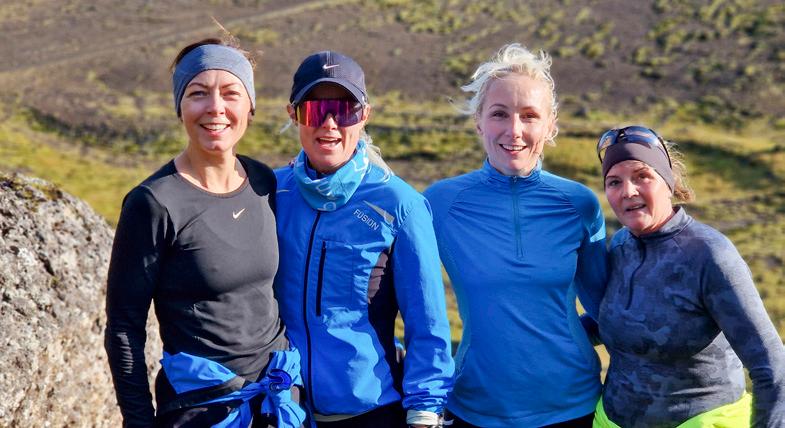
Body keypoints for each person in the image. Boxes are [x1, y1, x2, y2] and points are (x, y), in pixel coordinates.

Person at [105, 38, 304, 428]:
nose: (215, 107)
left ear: (250, 106)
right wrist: (139, 422)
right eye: (198, 93)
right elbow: (124, 327)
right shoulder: (155, 203)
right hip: (202, 409)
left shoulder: (263, 181)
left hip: (279, 400)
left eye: (230, 93)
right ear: (179, 107)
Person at [424, 43, 608, 427]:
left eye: (530, 116)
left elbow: (606, 308)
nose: (515, 130)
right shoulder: (440, 203)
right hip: (476, 407)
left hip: (573, 404)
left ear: (550, 125)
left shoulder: (579, 204)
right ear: (479, 121)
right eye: (499, 114)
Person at [273, 50, 454, 428]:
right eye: (315, 109)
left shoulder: (399, 204)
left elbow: (428, 324)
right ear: (293, 114)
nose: (329, 124)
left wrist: (425, 410)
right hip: (284, 410)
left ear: (364, 115)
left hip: (370, 413)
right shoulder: (273, 192)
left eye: (344, 110)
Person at [594, 125, 785, 427]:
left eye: (642, 176)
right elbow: (617, 321)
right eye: (614, 182)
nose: (628, 191)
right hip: (611, 420)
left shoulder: (709, 255)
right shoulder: (620, 245)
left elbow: (772, 368)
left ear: (668, 183)